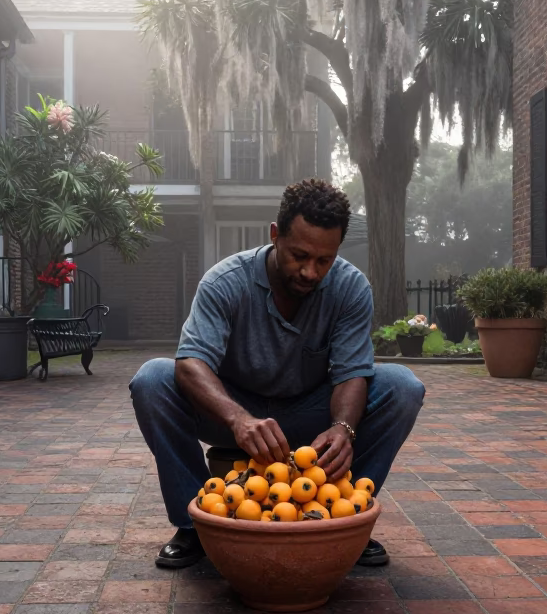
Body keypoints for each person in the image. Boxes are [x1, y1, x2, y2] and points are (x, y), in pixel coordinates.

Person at [130, 179, 426, 569]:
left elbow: (352, 372)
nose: (310, 271)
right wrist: (239, 419)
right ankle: (195, 526)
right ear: (275, 235)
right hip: (233, 411)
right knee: (153, 379)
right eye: (299, 255)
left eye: (325, 260)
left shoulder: (350, 288)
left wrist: (342, 428)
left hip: (311, 413)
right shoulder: (225, 282)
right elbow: (191, 363)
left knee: (403, 386)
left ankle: (344, 517)